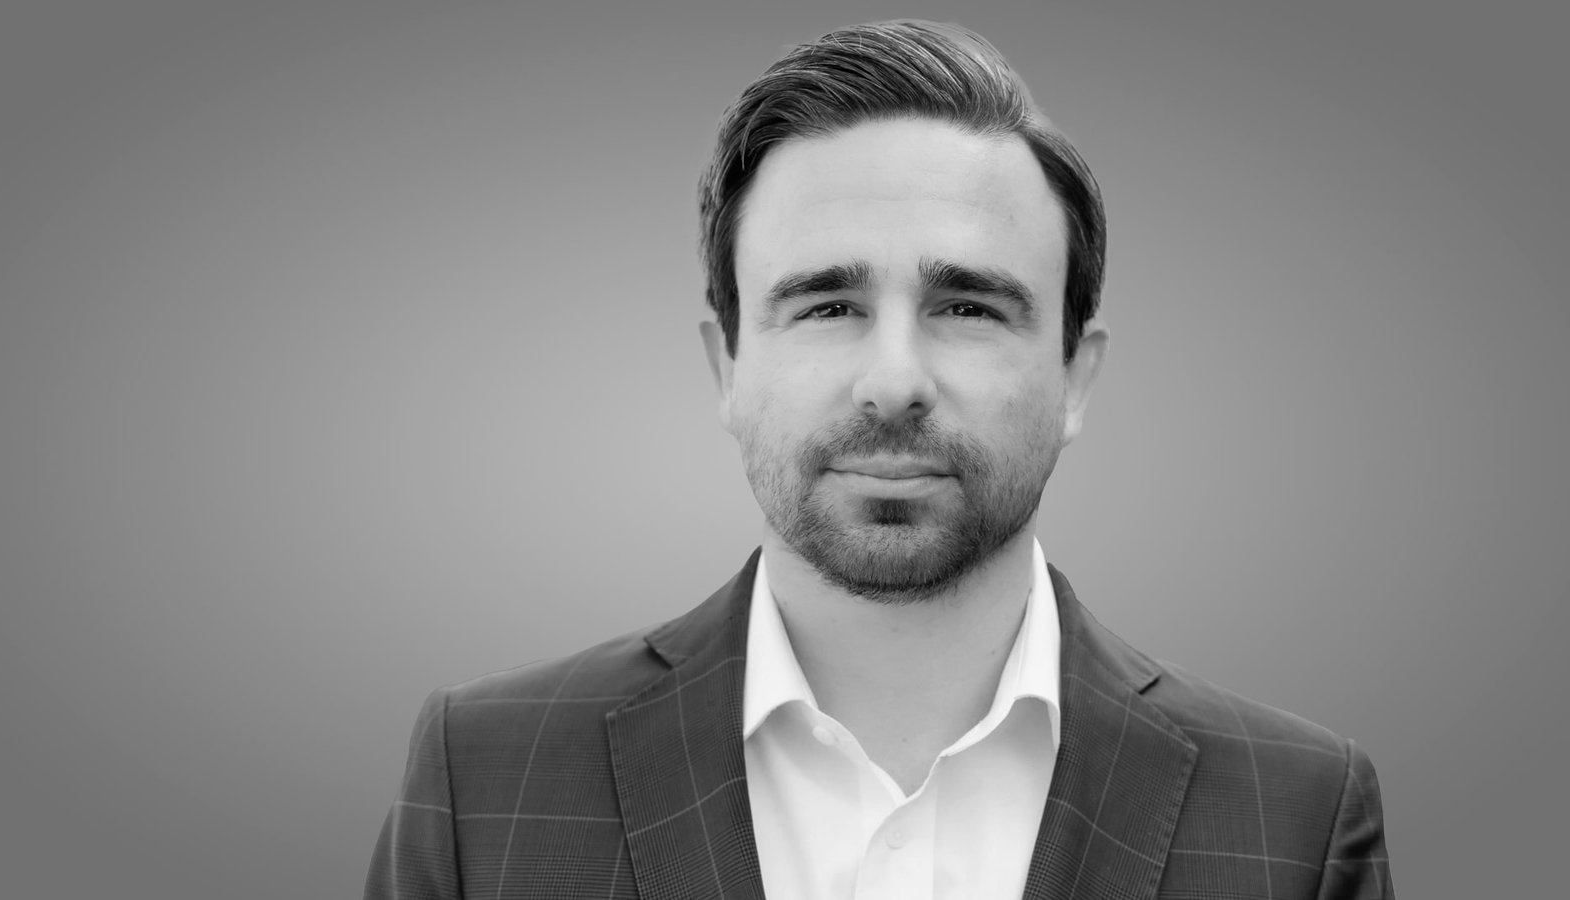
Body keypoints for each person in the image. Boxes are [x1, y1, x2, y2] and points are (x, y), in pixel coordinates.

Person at [365, 19, 1392, 900]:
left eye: (968, 307)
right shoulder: (482, 776)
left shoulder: (1297, 814)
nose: (893, 380)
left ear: (1075, 377)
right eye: (827, 306)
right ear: (727, 366)